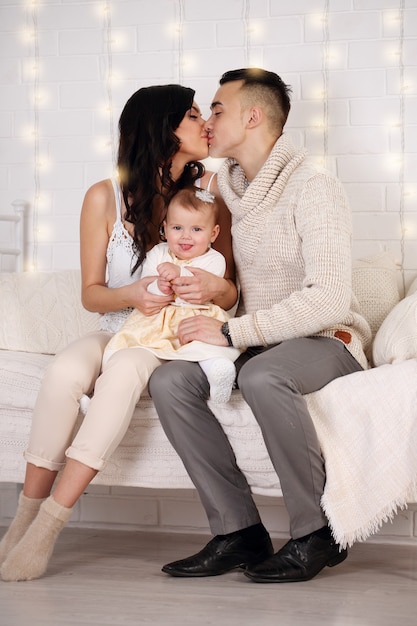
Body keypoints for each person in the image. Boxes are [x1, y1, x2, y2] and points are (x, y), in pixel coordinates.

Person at [0, 84, 237, 582]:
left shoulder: (211, 196)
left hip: (164, 338)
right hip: (117, 325)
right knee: (64, 370)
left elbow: (230, 290)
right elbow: (92, 294)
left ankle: (48, 527)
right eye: (193, 116)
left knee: (125, 372)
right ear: (162, 129)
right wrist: (133, 294)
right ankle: (23, 516)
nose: (205, 125)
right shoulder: (103, 196)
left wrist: (213, 291)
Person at [149, 68, 372, 583]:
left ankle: (318, 532)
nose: (208, 120)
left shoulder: (314, 186)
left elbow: (331, 297)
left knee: (262, 375)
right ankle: (239, 532)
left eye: (218, 109)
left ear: (252, 116)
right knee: (169, 380)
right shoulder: (222, 187)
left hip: (326, 339)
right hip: (259, 340)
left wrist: (231, 334)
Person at [103, 185, 240, 404]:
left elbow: (198, 289)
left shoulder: (215, 259)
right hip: (160, 316)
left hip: (197, 317)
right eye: (177, 228)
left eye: (196, 229)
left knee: (206, 347)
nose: (186, 237)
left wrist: (178, 273)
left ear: (213, 233)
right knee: (121, 345)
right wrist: (161, 286)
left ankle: (218, 372)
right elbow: (147, 285)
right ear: (165, 229)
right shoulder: (158, 253)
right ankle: (103, 387)